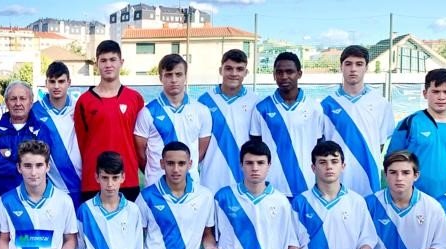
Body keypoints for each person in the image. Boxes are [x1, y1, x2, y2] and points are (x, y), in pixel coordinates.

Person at [387, 69, 446, 197]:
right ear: (425, 93)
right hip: (416, 197)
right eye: (435, 91)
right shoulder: (410, 123)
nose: (441, 97)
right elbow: (392, 161)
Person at [74, 40, 144, 202]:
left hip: (127, 179)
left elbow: (140, 141)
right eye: (103, 60)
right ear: (96, 64)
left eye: (113, 60)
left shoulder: (135, 98)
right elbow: (81, 144)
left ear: (121, 62)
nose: (108, 65)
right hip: (94, 181)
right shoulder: (84, 101)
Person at [320, 45, 394, 196]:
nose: (353, 69)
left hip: (369, 178)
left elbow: (380, 144)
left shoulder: (381, 103)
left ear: (366, 67)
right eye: (348, 64)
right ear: (341, 67)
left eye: (359, 64)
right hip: (336, 179)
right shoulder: (326, 105)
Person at [250, 51, 324, 198]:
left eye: (289, 72)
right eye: (279, 72)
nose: (284, 76)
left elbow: (318, 146)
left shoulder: (314, 107)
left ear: (299, 74)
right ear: (274, 75)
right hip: (271, 187)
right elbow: (256, 147)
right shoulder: (261, 108)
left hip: (306, 185)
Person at [209, 140, 303, 249]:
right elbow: (210, 235)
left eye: (260, 163)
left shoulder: (281, 201)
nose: (255, 168)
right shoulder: (223, 197)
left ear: (269, 165)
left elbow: (290, 239)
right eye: (249, 163)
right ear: (241, 165)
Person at [135, 54, 212, 187]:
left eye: (178, 74)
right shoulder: (147, 112)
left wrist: (183, 168)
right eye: (168, 75)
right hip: (156, 185)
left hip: (190, 185)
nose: (174, 79)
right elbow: (141, 155)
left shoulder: (201, 111)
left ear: (185, 77)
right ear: (161, 78)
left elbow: (201, 151)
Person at [0, 141, 78, 249]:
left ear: (48, 166)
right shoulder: (6, 201)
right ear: (19, 167)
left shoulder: (64, 201)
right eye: (28, 166)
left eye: (39, 165)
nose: (33, 173)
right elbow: (3, 239)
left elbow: (71, 240)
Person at [290, 141, 377, 249]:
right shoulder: (300, 202)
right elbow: (291, 238)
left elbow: (367, 236)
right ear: (313, 168)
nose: (329, 167)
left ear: (343, 166)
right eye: (322, 162)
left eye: (334, 161)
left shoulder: (357, 201)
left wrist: (365, 247)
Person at [136, 142, 215, 249]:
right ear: (162, 164)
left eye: (181, 163)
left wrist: (209, 247)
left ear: (190, 164)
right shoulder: (146, 197)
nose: (176, 169)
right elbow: (137, 235)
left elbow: (208, 233)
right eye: (170, 163)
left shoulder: (205, 196)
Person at [365, 151, 446, 249]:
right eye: (393, 172)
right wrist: (365, 247)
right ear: (385, 175)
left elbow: (441, 245)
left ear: (416, 176)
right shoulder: (369, 204)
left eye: (405, 173)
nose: (399, 178)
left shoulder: (432, 207)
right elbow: (360, 240)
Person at [198, 49, 260, 192]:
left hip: (244, 176)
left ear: (246, 72)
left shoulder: (255, 101)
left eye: (239, 69)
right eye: (229, 68)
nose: (234, 73)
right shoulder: (205, 100)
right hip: (211, 177)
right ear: (221, 70)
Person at [76, 151, 145, 249]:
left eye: (115, 178)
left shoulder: (133, 210)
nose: (110, 184)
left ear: (123, 177)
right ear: (97, 177)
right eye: (105, 177)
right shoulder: (85, 210)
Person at [0, 81, 43, 205]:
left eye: (23, 98)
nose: (18, 103)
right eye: (13, 99)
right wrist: (24, 165)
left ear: (31, 102)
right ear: (7, 102)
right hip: (0, 199)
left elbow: (41, 161)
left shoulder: (40, 129)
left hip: (32, 200)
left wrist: (8, 153)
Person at [32, 61, 83, 206]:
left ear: (69, 82)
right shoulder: (35, 110)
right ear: (46, 83)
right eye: (52, 81)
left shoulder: (79, 106)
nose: (56, 86)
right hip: (51, 184)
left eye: (61, 81)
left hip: (81, 181)